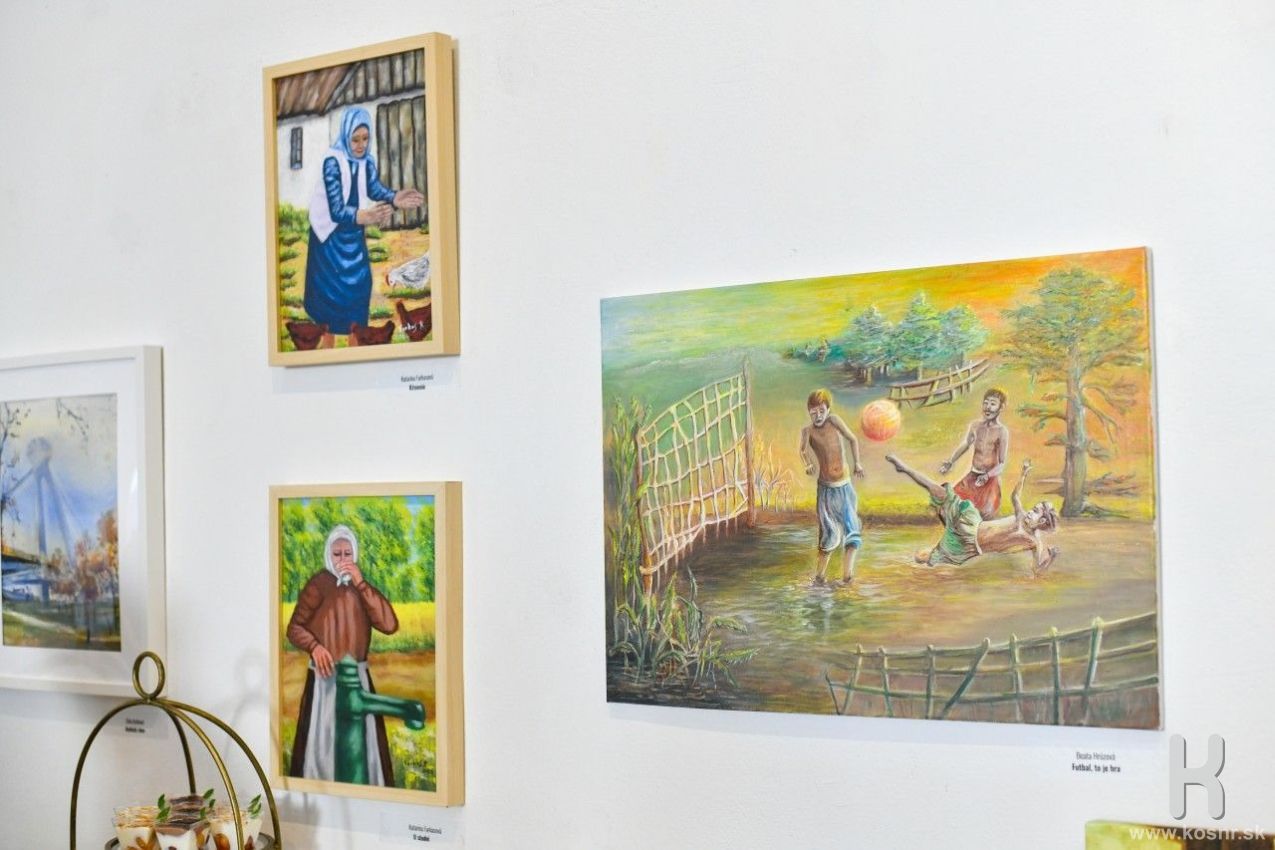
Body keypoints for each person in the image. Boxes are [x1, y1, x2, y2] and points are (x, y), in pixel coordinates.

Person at [303, 106, 425, 349]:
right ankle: (326, 352)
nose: (360, 145)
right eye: (355, 139)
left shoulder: (366, 161)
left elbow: (373, 188)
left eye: (365, 139)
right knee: (329, 299)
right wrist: (365, 215)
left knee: (358, 289)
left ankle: (354, 349)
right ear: (346, 136)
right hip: (330, 239)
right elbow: (336, 209)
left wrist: (394, 196)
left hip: (353, 235)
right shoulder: (333, 162)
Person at [286, 525, 400, 784]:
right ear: (329, 554)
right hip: (323, 679)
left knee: (365, 746)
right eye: (337, 554)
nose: (342, 560)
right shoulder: (318, 584)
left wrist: (361, 584)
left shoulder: (362, 588)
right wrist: (315, 646)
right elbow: (294, 628)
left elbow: (389, 624)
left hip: (357, 678)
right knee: (320, 745)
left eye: (347, 554)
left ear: (355, 554)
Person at [886, 454, 1059, 574]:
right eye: (1033, 509)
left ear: (1042, 521)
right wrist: (1023, 475)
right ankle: (905, 469)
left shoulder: (1034, 542)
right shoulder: (1021, 516)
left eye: (1035, 512)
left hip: (968, 546)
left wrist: (1051, 558)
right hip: (970, 522)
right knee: (943, 493)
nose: (1030, 512)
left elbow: (1037, 570)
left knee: (923, 559)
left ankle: (925, 557)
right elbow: (1015, 496)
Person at [799, 389, 865, 586]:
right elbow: (802, 450)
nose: (818, 415)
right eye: (814, 412)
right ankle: (819, 577)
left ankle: (848, 576)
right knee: (828, 535)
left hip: (845, 487)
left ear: (828, 410)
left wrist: (857, 463)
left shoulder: (834, 421)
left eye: (822, 411)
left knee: (852, 531)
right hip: (826, 490)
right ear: (809, 412)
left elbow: (852, 439)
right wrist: (807, 464)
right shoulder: (807, 431)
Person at [938, 388, 1010, 520]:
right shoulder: (975, 426)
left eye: (993, 404)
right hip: (972, 478)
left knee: (983, 515)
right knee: (947, 508)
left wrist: (987, 476)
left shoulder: (1002, 431)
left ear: (1001, 407)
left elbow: (1001, 464)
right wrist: (951, 461)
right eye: (985, 403)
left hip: (989, 482)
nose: (988, 407)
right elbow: (966, 444)